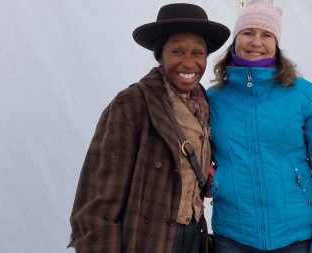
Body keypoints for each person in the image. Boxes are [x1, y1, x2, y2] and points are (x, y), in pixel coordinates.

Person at [68, 3, 230, 253]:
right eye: (178, 51)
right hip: (147, 240)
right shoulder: (131, 105)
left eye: (197, 53)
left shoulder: (205, 104)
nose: (189, 63)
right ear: (159, 55)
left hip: (193, 237)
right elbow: (96, 204)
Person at [206, 0, 312, 253]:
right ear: (235, 40)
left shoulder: (302, 95)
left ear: (277, 43)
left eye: (266, 34)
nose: (256, 42)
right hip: (232, 236)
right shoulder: (213, 99)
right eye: (248, 32)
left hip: (296, 238)